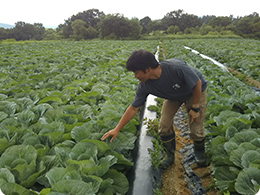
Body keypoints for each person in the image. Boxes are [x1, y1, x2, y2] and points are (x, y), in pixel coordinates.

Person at [101, 49, 207, 169]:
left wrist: (195, 107)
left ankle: (199, 151)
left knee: (195, 127)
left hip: (194, 92)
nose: (135, 76)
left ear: (148, 69)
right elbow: (133, 108)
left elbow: (197, 83)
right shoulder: (144, 85)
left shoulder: (176, 68)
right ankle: (170, 155)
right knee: (163, 127)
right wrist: (117, 129)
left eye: (136, 72)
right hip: (173, 96)